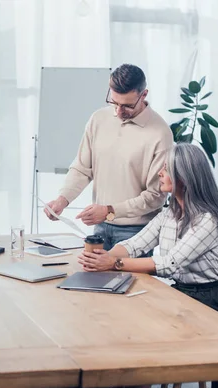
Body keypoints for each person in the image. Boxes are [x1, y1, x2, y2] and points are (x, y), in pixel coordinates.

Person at [78, 143, 218, 388]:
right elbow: (136, 244)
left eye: (166, 169)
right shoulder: (171, 213)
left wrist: (112, 265)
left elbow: (170, 264)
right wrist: (104, 257)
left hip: (214, 304)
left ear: (185, 177)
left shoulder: (208, 220)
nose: (160, 174)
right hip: (185, 295)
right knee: (128, 321)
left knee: (145, 332)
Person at [45, 64, 173, 249]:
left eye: (128, 105)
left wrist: (109, 211)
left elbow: (155, 196)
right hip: (100, 228)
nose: (119, 111)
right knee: (93, 277)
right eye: (114, 102)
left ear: (143, 95)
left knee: (131, 280)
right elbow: (82, 168)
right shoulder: (98, 119)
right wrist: (62, 200)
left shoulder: (161, 133)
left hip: (137, 232)